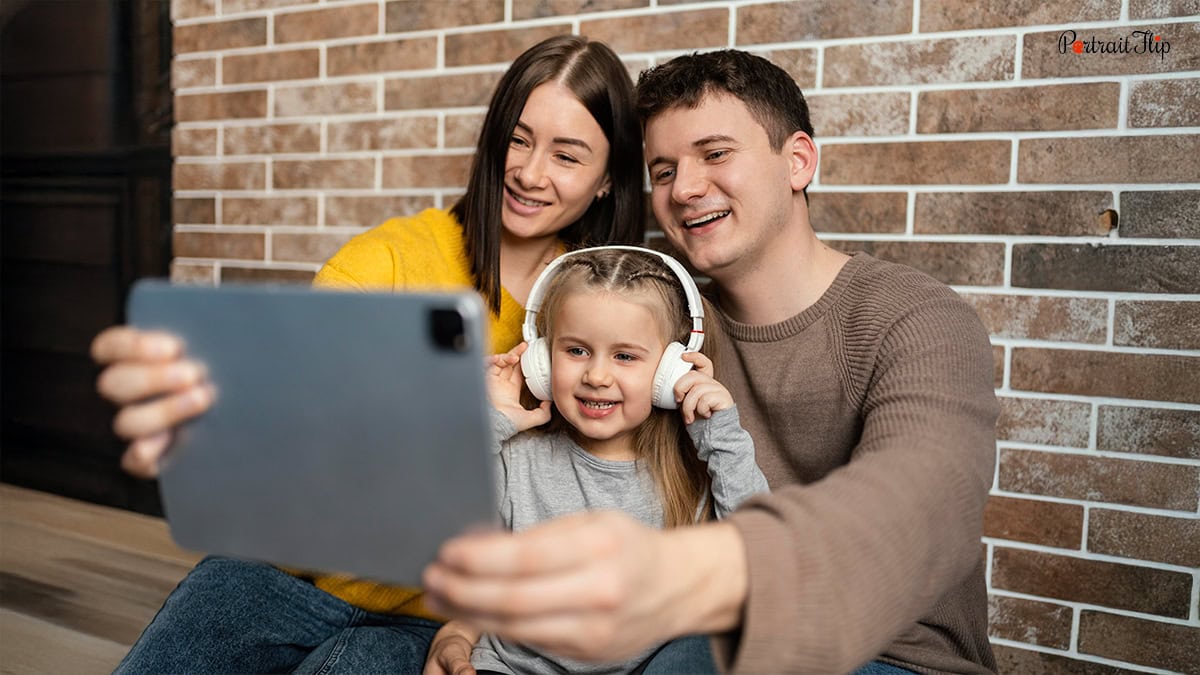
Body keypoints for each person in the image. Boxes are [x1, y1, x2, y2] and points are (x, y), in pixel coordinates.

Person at [419, 50, 1000, 675]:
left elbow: (922, 505)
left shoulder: (916, 317)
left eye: (716, 154)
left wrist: (684, 572)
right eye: (662, 170)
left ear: (798, 161)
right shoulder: (663, 330)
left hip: (890, 657)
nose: (685, 189)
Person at [92, 35, 649, 674]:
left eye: (567, 155)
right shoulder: (383, 262)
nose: (529, 172)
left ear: (608, 179)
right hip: (282, 574)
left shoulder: (602, 330)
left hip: (430, 618)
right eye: (518, 140)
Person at [441, 246, 768, 675]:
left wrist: (720, 435)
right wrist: (495, 422)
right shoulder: (516, 461)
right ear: (541, 357)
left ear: (671, 371)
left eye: (625, 356)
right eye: (576, 351)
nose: (596, 376)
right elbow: (442, 531)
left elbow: (758, 555)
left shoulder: (690, 475)